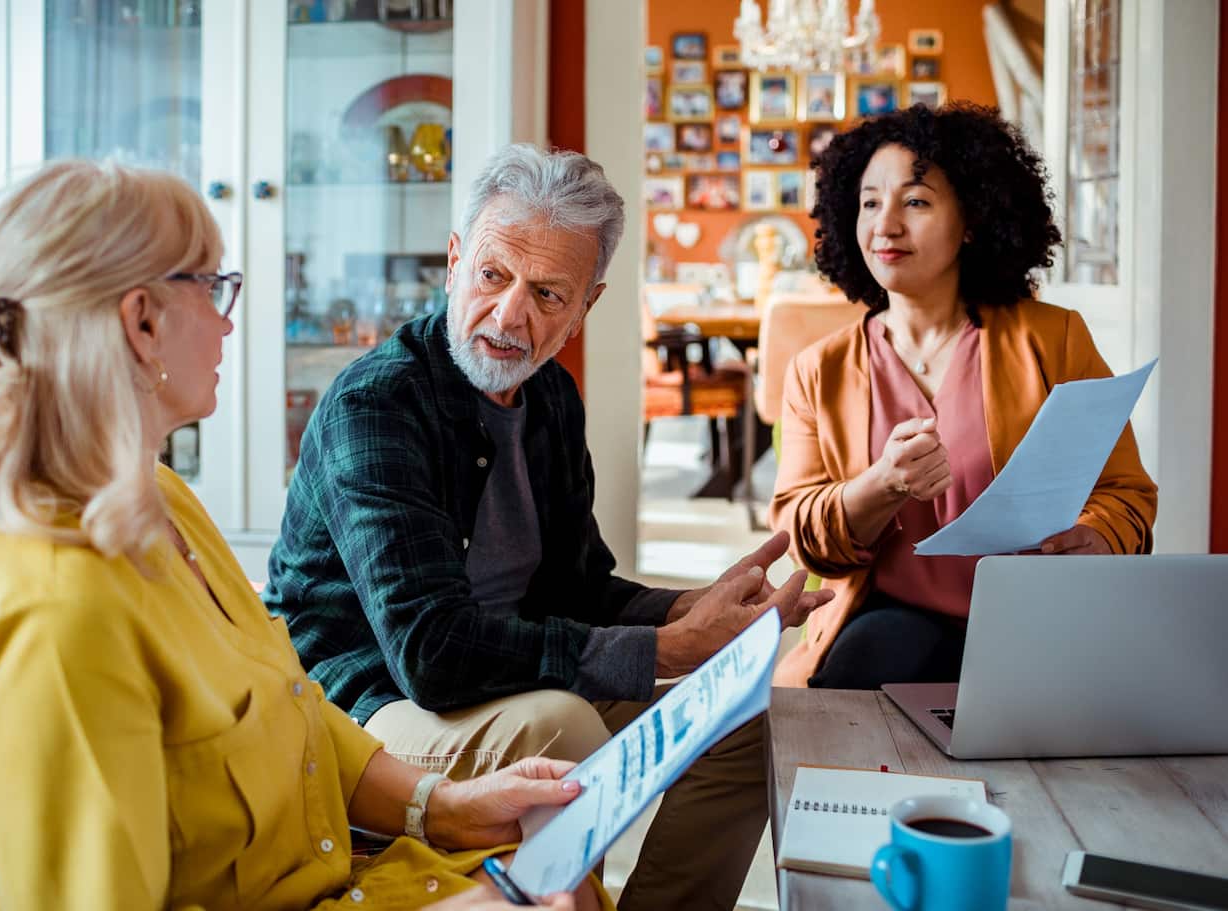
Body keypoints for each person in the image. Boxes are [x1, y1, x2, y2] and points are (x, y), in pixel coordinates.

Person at [0, 160, 605, 911]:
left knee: (563, 877)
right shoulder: (54, 611)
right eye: (211, 286)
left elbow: (287, 703)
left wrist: (441, 803)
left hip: (325, 876)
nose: (229, 317)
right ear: (142, 322)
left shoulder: (158, 498)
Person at [264, 143, 832, 911]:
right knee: (562, 726)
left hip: (505, 677)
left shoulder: (551, 397)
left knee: (745, 721)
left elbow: (578, 586)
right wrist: (664, 649)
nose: (509, 315)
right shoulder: (378, 405)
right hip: (372, 701)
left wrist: (695, 606)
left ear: (585, 308)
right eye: (493, 276)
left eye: (547, 293)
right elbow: (430, 653)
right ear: (456, 261)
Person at [769, 103, 1157, 689]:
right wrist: (880, 485)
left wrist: (1099, 535)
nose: (886, 225)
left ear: (972, 219)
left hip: (1036, 615)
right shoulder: (817, 371)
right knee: (860, 672)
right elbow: (802, 538)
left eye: (916, 201)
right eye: (870, 203)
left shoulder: (1054, 338)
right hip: (890, 621)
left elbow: (1124, 491)